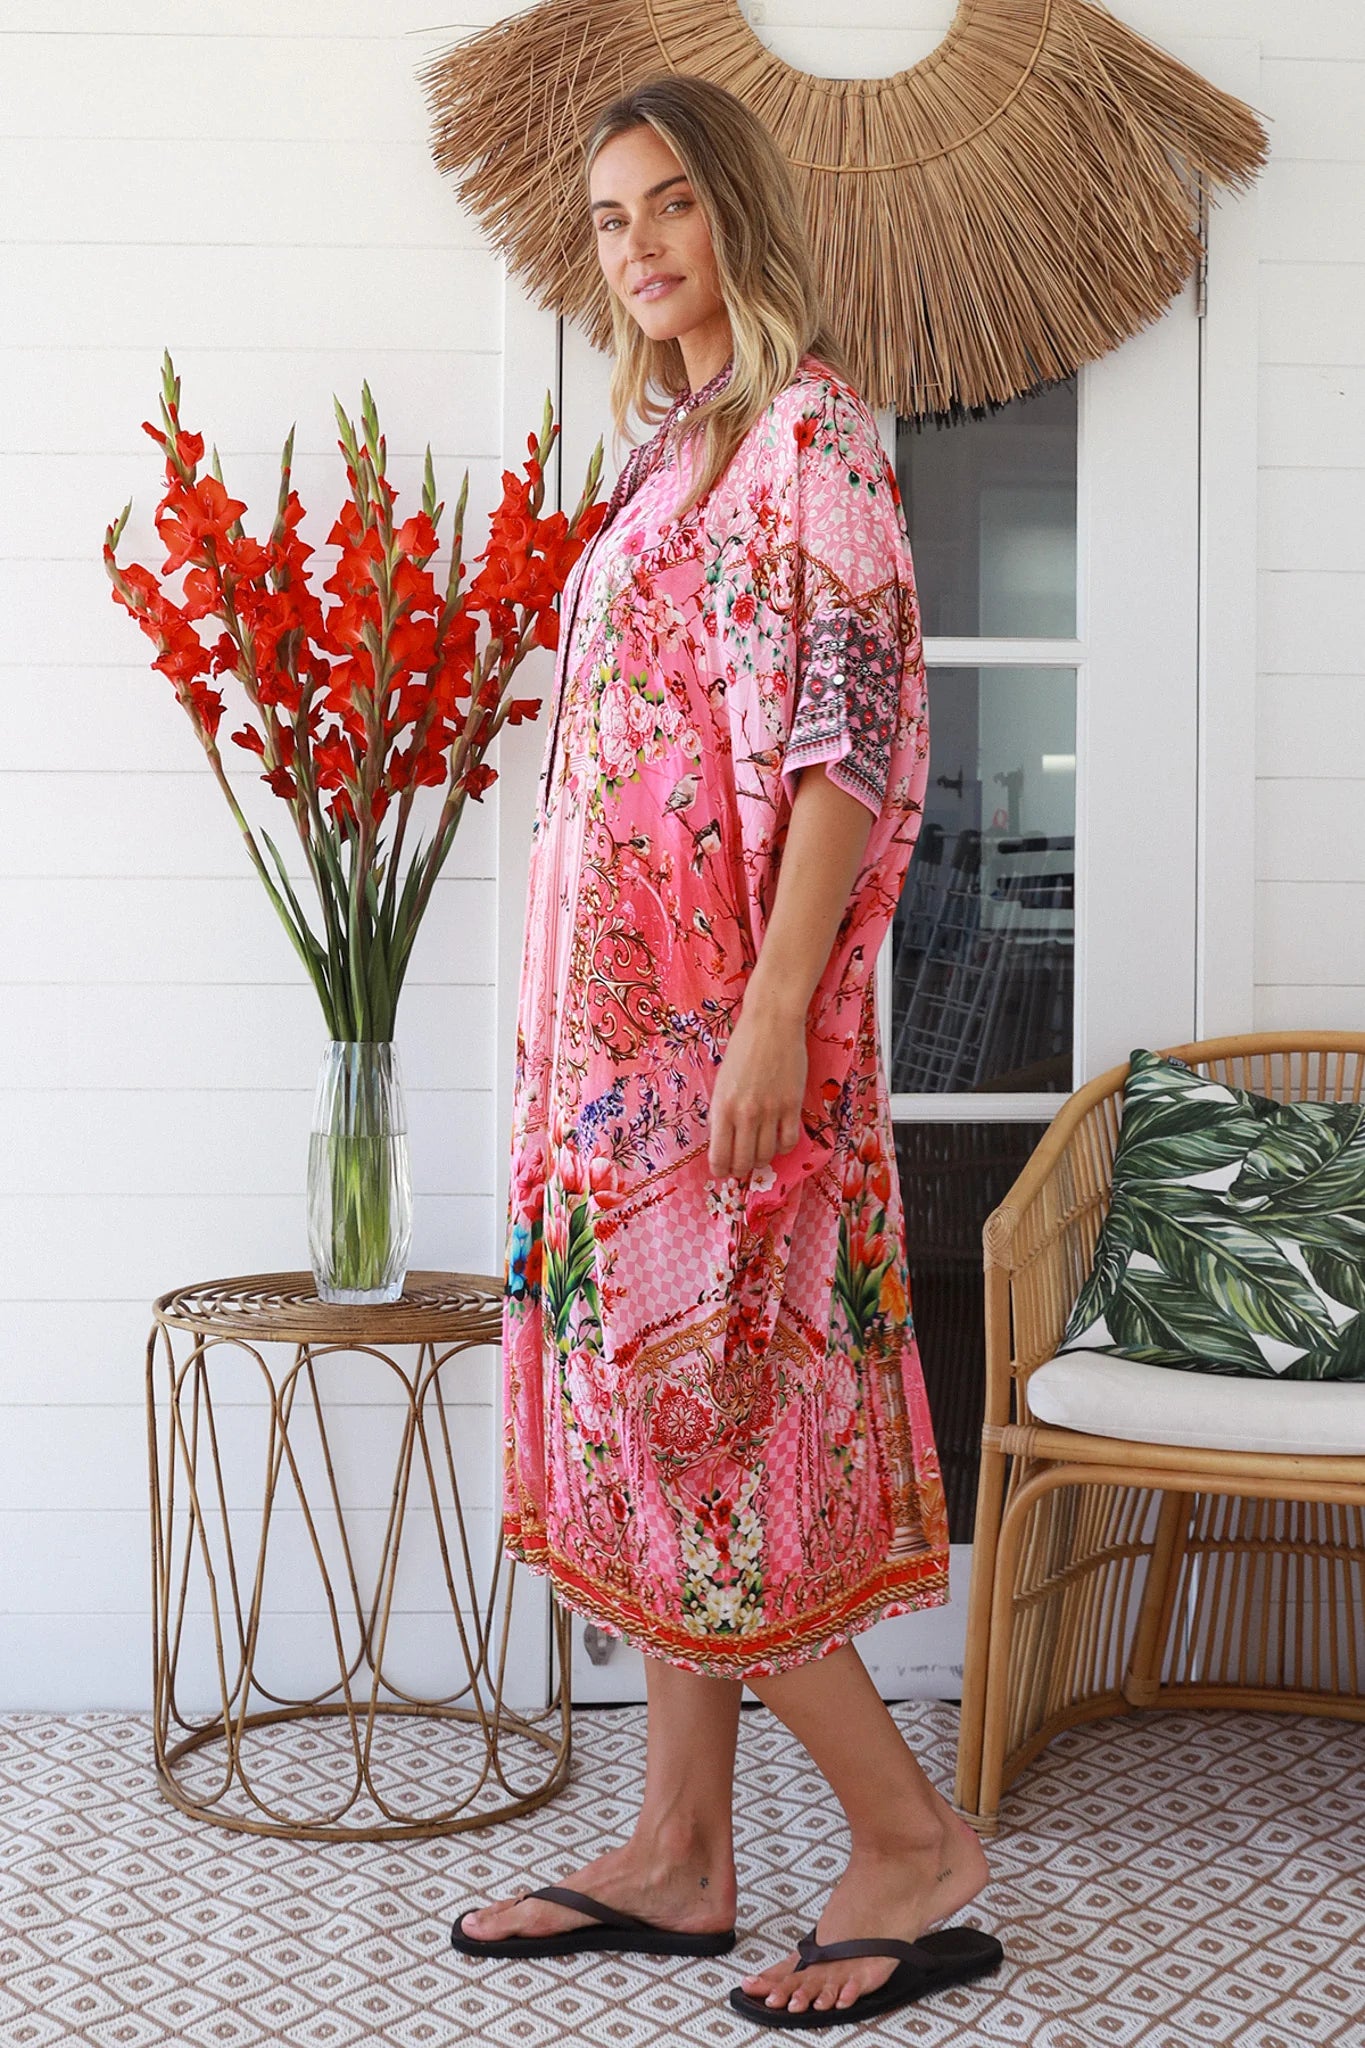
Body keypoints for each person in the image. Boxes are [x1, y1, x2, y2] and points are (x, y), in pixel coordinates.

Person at [450, 73, 998, 2028]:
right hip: (607, 1057)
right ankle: (681, 1852)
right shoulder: (668, 455)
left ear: (736, 209)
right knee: (642, 1424)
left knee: (708, 1435)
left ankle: (907, 1841)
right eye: (610, 219)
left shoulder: (808, 441)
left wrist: (772, 1005)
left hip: (718, 1046)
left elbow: (842, 735)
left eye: (669, 202)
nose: (641, 244)